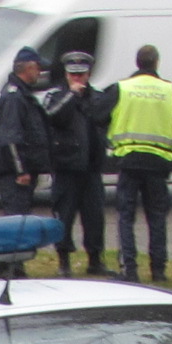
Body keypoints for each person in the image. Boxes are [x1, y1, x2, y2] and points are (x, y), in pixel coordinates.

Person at [91, 45, 172, 281]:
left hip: (129, 160)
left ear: (137, 62)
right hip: (159, 161)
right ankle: (159, 270)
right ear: (156, 63)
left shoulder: (121, 88)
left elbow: (95, 115)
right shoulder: (169, 90)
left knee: (126, 215)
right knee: (157, 217)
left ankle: (130, 269)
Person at [41, 50, 107, 273]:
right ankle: (63, 262)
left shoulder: (97, 97)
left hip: (91, 168)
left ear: (89, 74)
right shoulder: (56, 96)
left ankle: (95, 261)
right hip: (66, 166)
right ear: (67, 74)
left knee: (95, 217)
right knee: (64, 217)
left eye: (82, 74)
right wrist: (71, 95)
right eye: (73, 74)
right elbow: (51, 117)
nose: (78, 79)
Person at [0, 47, 54, 217]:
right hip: (14, 174)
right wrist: (21, 171)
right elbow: (11, 138)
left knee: (23, 217)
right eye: (38, 68)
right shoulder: (14, 97)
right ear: (29, 68)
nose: (40, 73)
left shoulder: (23, 94)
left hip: (23, 169)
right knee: (17, 219)